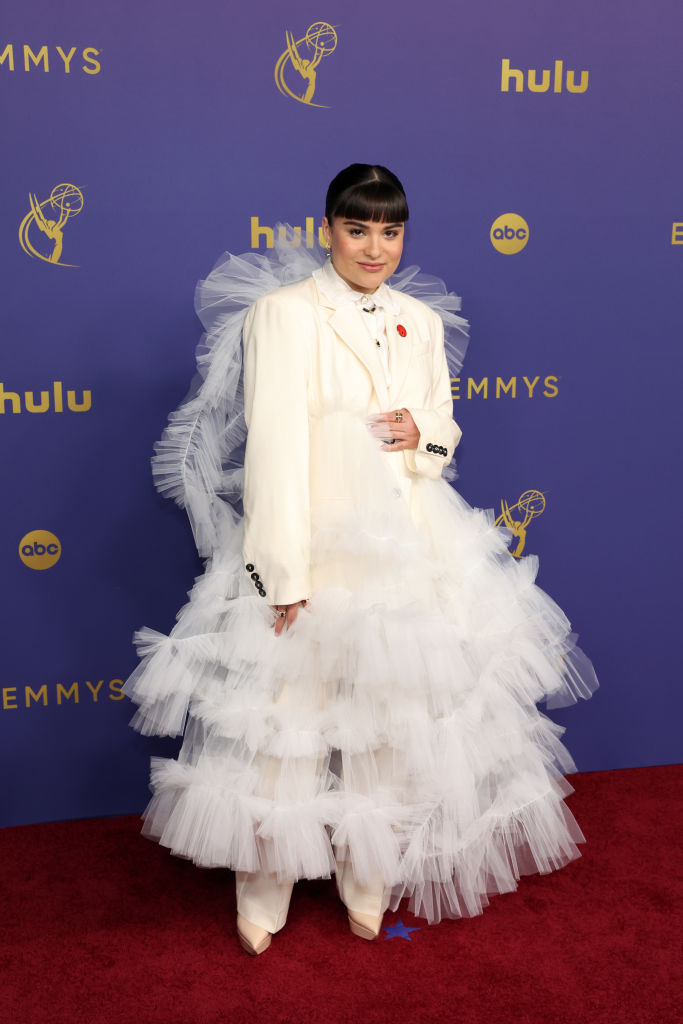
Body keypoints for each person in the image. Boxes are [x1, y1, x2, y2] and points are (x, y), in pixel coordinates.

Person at [124, 164, 598, 956]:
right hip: (312, 542)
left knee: (384, 721)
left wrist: (423, 434)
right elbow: (272, 445)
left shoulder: (420, 317)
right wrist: (282, 573)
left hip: (408, 544)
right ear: (328, 229)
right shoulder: (281, 315)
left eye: (389, 230)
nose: (374, 246)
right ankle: (265, 887)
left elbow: (440, 427)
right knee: (288, 724)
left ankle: (365, 877)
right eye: (357, 228)